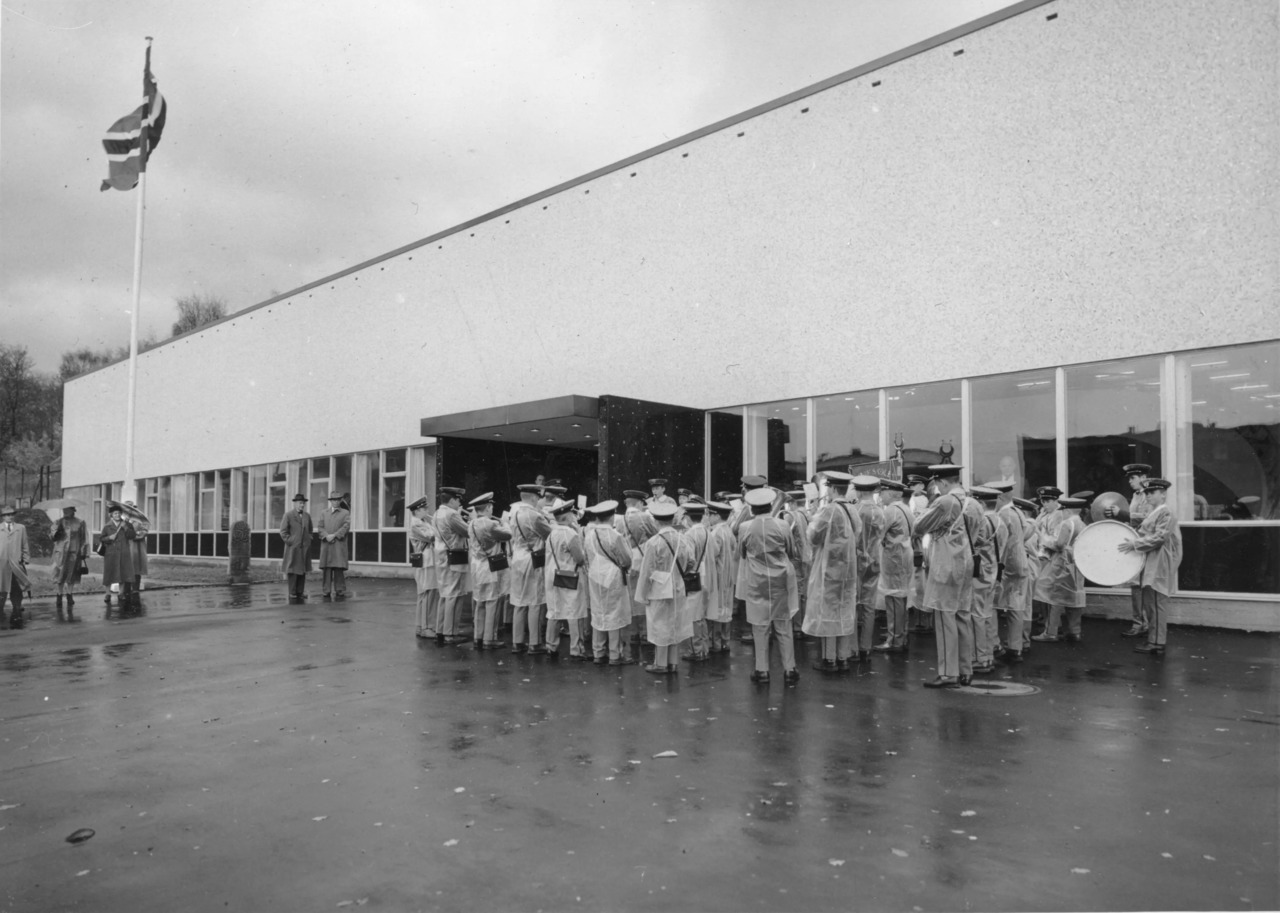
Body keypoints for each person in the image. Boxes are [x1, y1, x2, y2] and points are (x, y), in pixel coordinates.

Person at [914, 464, 975, 689]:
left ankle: (949, 673)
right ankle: (965, 670)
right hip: (965, 563)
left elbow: (919, 526)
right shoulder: (973, 503)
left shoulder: (945, 501)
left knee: (944, 618)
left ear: (942, 482)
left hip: (945, 565)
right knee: (962, 616)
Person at [739, 487, 800, 685]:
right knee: (783, 624)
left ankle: (762, 670)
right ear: (770, 505)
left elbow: (740, 553)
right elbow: (791, 551)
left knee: (760, 627)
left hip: (757, 582)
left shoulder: (745, 527)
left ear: (752, 508)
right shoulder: (783, 525)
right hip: (781, 580)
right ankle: (790, 669)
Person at [802, 471, 860, 673]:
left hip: (829, 568)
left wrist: (811, 518)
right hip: (848, 569)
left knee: (828, 612)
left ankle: (829, 659)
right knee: (844, 611)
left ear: (833, 489)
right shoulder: (853, 510)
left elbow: (812, 536)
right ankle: (843, 657)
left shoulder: (828, 510)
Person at [1119, 479, 1181, 655]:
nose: (1148, 496)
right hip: (1151, 560)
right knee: (1150, 602)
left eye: (1152, 492)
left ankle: (1157, 642)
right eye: (1146, 493)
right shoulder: (1154, 512)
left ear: (1163, 494)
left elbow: (1160, 537)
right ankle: (1153, 639)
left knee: (1156, 601)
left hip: (1160, 561)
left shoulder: (1166, 512)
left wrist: (1135, 544)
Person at [634, 501, 693, 674]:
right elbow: (691, 562)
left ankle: (660, 663)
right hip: (679, 586)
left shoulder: (654, 542)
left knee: (659, 623)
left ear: (655, 521)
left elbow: (646, 571)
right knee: (675, 622)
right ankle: (673, 662)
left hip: (659, 587)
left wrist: (642, 594)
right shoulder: (683, 538)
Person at [1103, 463, 1154, 638]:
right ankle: (1139, 623)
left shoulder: (1149, 495)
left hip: (1145, 544)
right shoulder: (1136, 495)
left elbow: (1148, 518)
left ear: (1143, 478)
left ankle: (1145, 623)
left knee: (1144, 585)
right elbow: (1133, 520)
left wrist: (1123, 514)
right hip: (1135, 543)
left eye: (1133, 478)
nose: (1130, 482)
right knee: (1136, 585)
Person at [583, 500, 633, 665]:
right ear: (612, 517)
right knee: (615, 613)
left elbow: (586, 558)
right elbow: (626, 560)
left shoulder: (589, 535)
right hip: (613, 577)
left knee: (598, 611)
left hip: (595, 576)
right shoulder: (615, 535)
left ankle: (598, 652)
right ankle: (615, 654)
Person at [1034, 495, 1087, 642]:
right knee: (1074, 596)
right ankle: (1074, 631)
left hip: (1062, 563)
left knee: (1052, 595)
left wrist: (1043, 538)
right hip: (1077, 563)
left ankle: (1050, 632)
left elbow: (1059, 545)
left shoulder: (1067, 524)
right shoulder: (1082, 524)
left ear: (1067, 510)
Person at [509, 483, 552, 655]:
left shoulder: (515, 513)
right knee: (534, 600)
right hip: (533, 558)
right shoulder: (534, 515)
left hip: (518, 557)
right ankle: (534, 643)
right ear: (534, 497)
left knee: (519, 601)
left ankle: (517, 641)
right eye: (539, 497)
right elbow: (550, 534)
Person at [990, 481, 1029, 664]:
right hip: (1020, 562)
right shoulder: (1018, 512)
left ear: (998, 497)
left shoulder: (1003, 514)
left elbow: (997, 542)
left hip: (1007, 565)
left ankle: (994, 645)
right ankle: (1016, 648)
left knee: (992, 605)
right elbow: (1028, 531)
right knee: (1016, 607)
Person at [874, 479, 915, 655]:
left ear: (891, 493)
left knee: (893, 598)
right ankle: (901, 635)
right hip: (904, 556)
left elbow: (878, 534)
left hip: (893, 558)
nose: (880, 496)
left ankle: (894, 639)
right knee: (901, 597)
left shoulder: (890, 510)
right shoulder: (905, 508)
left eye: (882, 492)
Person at [468, 492, 512, 650]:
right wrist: (504, 522)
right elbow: (508, 535)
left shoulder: (472, 523)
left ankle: (478, 636)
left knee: (480, 601)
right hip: (490, 567)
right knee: (492, 601)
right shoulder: (490, 524)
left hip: (477, 566)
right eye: (491, 507)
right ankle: (489, 638)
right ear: (487, 508)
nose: (492, 509)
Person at [544, 499, 586, 659]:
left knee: (554, 610)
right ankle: (577, 649)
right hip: (570, 576)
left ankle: (551, 645)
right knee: (574, 611)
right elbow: (580, 558)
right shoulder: (571, 533)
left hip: (553, 575)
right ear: (568, 516)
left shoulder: (552, 533)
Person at [968, 486, 1003, 674]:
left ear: (980, 503)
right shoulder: (1000, 520)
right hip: (993, 570)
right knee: (988, 614)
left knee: (977, 615)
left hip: (981, 571)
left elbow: (971, 542)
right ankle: (988, 654)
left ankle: (980, 658)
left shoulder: (983, 521)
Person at [851, 475, 886, 662]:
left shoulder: (855, 510)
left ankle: (852, 647)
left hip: (857, 561)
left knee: (853, 603)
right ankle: (866, 647)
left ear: (858, 490)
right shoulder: (881, 512)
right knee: (869, 606)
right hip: (874, 560)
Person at [676, 501, 713, 662]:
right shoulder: (708, 532)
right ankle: (704, 647)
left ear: (688, 518)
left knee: (693, 615)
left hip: (693, 576)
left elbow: (687, 559)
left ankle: (696, 650)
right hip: (706, 575)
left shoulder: (689, 535)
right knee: (702, 614)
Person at [433, 487, 471, 644]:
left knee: (444, 595)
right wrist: (473, 519)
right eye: (458, 499)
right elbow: (468, 531)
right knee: (454, 595)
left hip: (441, 557)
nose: (459, 502)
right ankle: (450, 633)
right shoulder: (451, 514)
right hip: (454, 557)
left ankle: (440, 630)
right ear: (452, 500)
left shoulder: (437, 513)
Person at [704, 501, 735, 653]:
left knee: (716, 607)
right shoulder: (728, 530)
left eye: (710, 514)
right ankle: (726, 641)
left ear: (716, 516)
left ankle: (715, 643)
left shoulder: (715, 532)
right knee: (727, 606)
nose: (708, 517)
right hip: (729, 574)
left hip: (718, 574)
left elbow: (712, 554)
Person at [407, 497, 439, 638]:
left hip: (427, 560)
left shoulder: (423, 521)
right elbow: (431, 537)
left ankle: (420, 626)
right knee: (428, 593)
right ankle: (426, 627)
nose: (427, 511)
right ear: (417, 510)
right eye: (425, 509)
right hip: (426, 561)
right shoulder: (416, 524)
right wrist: (439, 525)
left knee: (424, 594)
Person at [51, 505, 89, 615]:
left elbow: (84, 538)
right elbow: (52, 537)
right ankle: (59, 595)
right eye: (64, 509)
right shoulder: (57, 522)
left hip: (74, 551)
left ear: (73, 511)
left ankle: (69, 595)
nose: (65, 511)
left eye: (68, 510)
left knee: (72, 574)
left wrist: (84, 551)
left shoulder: (80, 522)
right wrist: (57, 531)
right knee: (60, 573)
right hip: (61, 552)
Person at [102, 501, 138, 608]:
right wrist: (109, 538)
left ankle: (121, 593)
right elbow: (101, 538)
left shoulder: (127, 524)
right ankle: (107, 593)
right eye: (115, 514)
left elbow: (132, 536)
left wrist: (126, 527)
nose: (117, 515)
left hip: (123, 552)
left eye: (119, 513)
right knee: (109, 573)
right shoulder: (107, 526)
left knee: (122, 573)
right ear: (111, 515)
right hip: (111, 553)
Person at [0, 505, 31, 630]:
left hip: (16, 563)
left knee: (16, 587)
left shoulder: (20, 528)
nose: (10, 516)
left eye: (12, 514)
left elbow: (25, 544)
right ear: (2, 516)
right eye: (7, 514)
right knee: (1, 587)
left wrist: (26, 558)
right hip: (1, 563)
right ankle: (0, 609)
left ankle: (17, 609)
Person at [317, 491, 351, 598]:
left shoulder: (345, 513)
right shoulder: (324, 513)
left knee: (338, 567)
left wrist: (335, 535)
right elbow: (320, 527)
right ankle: (326, 590)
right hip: (327, 544)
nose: (335, 502)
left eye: (337, 499)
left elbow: (346, 526)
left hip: (338, 544)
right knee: (327, 568)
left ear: (340, 500)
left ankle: (339, 589)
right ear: (330, 501)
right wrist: (326, 536)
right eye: (333, 500)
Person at [280, 493, 312, 601]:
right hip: (293, 548)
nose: (302, 505)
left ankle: (300, 592)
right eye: (300, 503)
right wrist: (291, 541)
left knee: (302, 570)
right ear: (295, 503)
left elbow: (310, 530)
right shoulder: (288, 515)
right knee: (293, 570)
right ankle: (292, 592)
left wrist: (308, 539)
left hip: (304, 548)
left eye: (303, 503)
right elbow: (283, 532)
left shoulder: (307, 516)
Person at [124, 501, 149, 593]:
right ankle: (126, 589)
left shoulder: (141, 519)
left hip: (136, 547)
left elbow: (144, 531)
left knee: (136, 567)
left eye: (131, 508)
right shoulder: (123, 520)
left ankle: (135, 588)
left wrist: (134, 534)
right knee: (125, 567)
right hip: (125, 546)